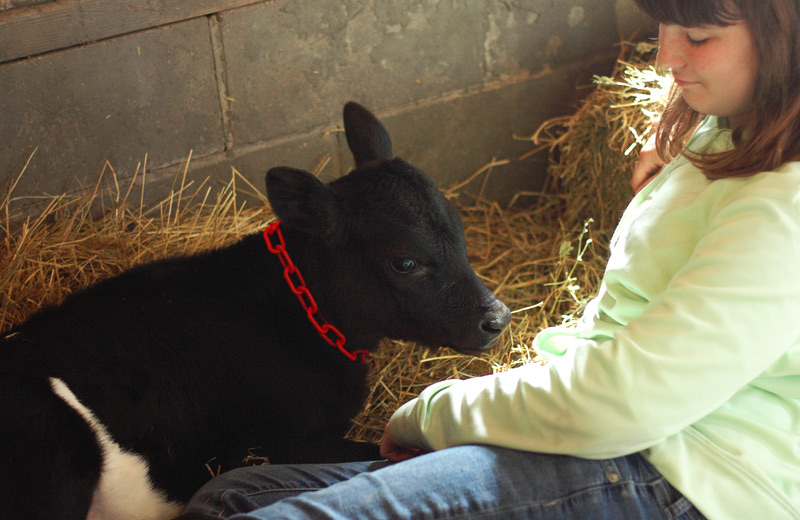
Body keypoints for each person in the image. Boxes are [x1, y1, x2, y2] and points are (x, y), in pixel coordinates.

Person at [180, 1, 800, 518]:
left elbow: (627, 399)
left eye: (698, 36)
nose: (664, 57)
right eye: (661, 26)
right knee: (229, 497)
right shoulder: (728, 129)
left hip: (684, 473)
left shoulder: (782, 209)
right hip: (612, 429)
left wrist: (434, 413)